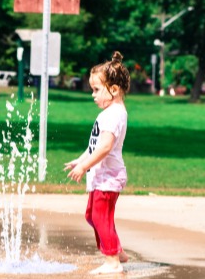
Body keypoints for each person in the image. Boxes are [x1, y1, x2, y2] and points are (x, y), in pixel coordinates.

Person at [64, 51, 130, 275]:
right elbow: (94, 146)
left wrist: (85, 167)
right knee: (92, 216)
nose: (92, 95)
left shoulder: (113, 115)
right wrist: (81, 160)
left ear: (113, 89)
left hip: (108, 177)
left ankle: (112, 261)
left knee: (100, 217)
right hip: (103, 176)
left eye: (96, 89)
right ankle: (116, 250)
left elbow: (104, 147)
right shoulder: (110, 112)